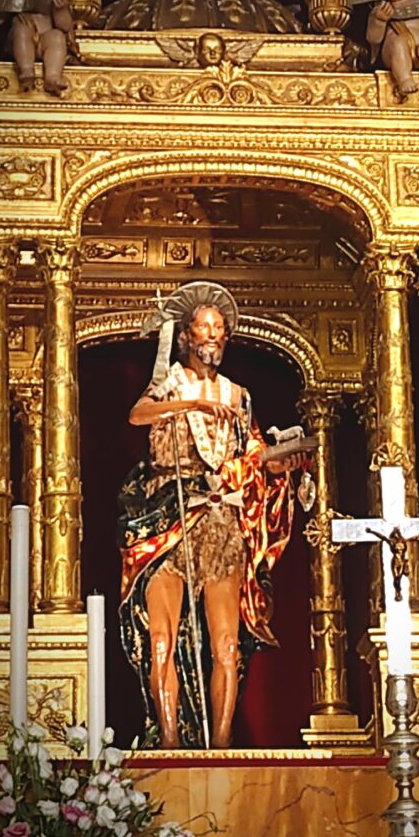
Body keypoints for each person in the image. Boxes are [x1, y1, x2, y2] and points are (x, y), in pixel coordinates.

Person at [118, 283, 304, 749]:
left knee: (225, 644)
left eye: (220, 329)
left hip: (221, 521)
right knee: (161, 637)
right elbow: (138, 415)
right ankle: (167, 742)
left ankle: (221, 745)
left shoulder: (239, 395)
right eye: (205, 327)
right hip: (169, 514)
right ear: (185, 336)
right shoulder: (170, 382)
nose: (214, 336)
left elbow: (253, 451)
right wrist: (193, 404)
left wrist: (279, 462)